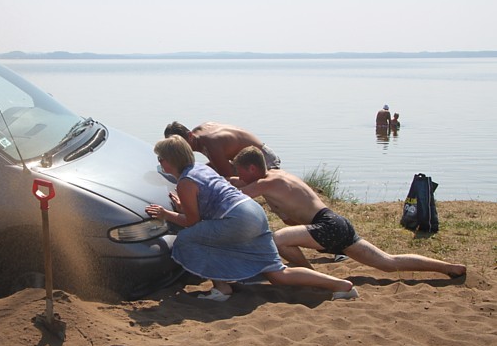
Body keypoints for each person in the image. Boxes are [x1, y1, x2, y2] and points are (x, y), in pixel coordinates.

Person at [144, 135, 359, 302]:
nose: (160, 162)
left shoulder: (184, 182)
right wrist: (184, 207)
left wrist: (166, 214)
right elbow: (208, 201)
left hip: (237, 219)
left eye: (160, 158)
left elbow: (191, 221)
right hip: (253, 213)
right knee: (278, 274)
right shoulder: (198, 168)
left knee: (189, 239)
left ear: (169, 160)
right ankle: (341, 285)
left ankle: (222, 288)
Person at [231, 146, 467, 279]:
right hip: (336, 223)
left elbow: (239, 195)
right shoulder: (277, 176)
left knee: (278, 239)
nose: (240, 177)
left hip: (326, 226)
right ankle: (448, 267)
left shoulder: (265, 184)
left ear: (253, 168)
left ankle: (311, 276)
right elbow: (240, 183)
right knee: (387, 262)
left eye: (242, 172)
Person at [163, 121, 280, 178]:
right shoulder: (199, 133)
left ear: (189, 135)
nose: (180, 150)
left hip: (262, 160)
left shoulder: (211, 144)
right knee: (199, 172)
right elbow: (218, 162)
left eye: (181, 145)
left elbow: (228, 177)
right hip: (243, 159)